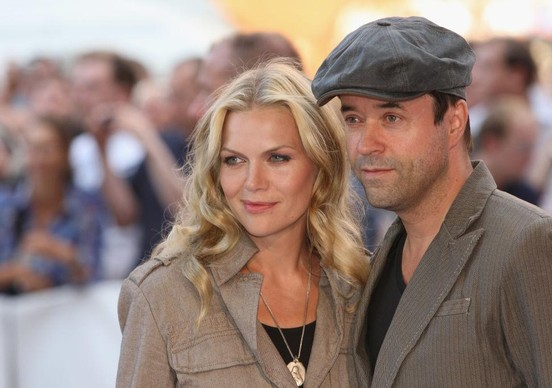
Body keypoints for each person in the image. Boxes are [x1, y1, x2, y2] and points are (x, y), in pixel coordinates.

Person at [312, 16, 552, 387]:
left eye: (391, 117)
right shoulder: (380, 259)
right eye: (354, 119)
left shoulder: (528, 244)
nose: (365, 144)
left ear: (454, 121)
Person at [116, 60, 370, 387]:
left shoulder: (359, 288)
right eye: (234, 160)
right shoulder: (163, 294)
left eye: (277, 157)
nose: (253, 182)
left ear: (321, 164)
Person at [0, 115, 105, 294]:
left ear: (65, 155)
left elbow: (95, 275)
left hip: (67, 316)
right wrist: (17, 273)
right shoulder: (7, 205)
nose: (38, 160)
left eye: (46, 150)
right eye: (32, 150)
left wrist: (66, 255)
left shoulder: (86, 206)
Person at [473, 96, 540, 204]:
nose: (529, 158)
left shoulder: (524, 196)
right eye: (523, 148)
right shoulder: (454, 186)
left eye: (531, 148)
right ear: (491, 143)